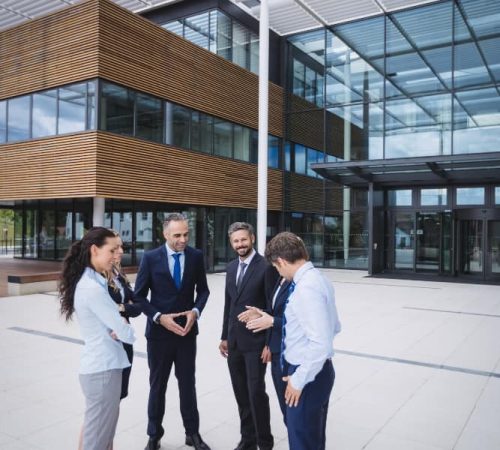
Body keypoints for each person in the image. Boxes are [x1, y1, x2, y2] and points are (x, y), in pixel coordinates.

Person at [134, 213, 211, 450]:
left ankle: (193, 434)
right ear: (165, 234)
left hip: (187, 333)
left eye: (186, 234)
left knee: (188, 384)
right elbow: (138, 296)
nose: (183, 239)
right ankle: (154, 435)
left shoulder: (196, 256)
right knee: (158, 385)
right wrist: (158, 317)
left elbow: (204, 292)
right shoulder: (150, 257)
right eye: (177, 235)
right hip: (159, 335)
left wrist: (195, 312)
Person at [59, 227, 136, 450]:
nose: (117, 255)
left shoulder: (94, 281)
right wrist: (123, 326)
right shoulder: (92, 288)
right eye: (112, 250)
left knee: (103, 435)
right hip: (103, 371)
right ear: (94, 249)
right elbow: (127, 334)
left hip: (103, 368)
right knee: (97, 440)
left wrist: (120, 323)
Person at [263, 232, 341, 450]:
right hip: (316, 371)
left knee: (302, 442)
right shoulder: (318, 279)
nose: (278, 272)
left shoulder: (306, 288)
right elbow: (334, 326)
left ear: (281, 261)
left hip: (307, 375)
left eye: (276, 267)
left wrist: (299, 379)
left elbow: (321, 344)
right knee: (313, 440)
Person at [219, 222, 279, 450]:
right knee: (241, 393)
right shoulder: (232, 266)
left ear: (252, 238)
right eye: (235, 241)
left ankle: (265, 442)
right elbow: (229, 304)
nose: (240, 244)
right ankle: (248, 440)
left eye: (243, 240)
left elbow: (272, 308)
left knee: (255, 393)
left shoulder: (266, 267)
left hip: (256, 342)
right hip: (234, 342)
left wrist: (269, 344)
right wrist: (224, 336)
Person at [238, 275, 291, 420]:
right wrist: (261, 313)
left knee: (293, 413)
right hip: (277, 350)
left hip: (289, 352)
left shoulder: (298, 282)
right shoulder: (281, 277)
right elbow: (276, 309)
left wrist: (273, 321)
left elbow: (298, 322)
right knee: (286, 409)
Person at [105, 233, 142, 400]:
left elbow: (139, 306)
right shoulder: (97, 278)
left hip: (124, 340)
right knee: (105, 401)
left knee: (119, 394)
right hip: (109, 343)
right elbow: (100, 309)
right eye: (116, 248)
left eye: (121, 247)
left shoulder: (118, 273)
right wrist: (126, 308)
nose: (121, 251)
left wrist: (120, 307)